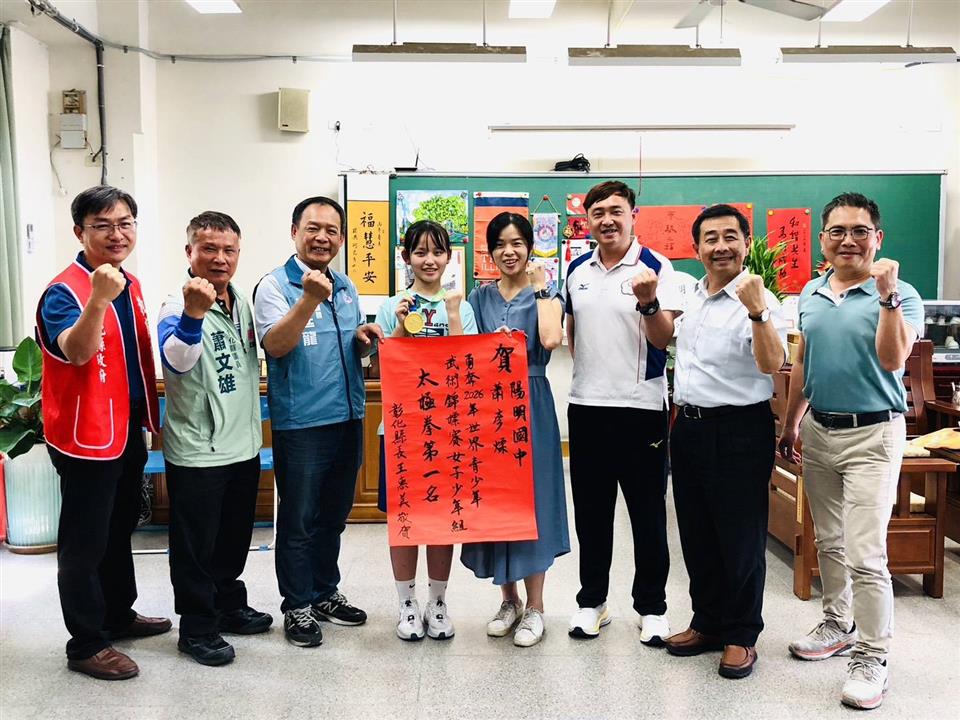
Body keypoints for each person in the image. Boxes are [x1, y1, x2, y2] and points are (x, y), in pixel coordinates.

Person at [779, 193, 923, 710]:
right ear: (823, 238)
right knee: (831, 541)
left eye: (860, 230)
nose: (848, 240)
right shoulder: (811, 292)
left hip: (873, 435)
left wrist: (886, 298)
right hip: (820, 430)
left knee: (866, 552)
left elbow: (893, 360)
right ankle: (838, 624)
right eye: (837, 231)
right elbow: (804, 361)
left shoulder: (903, 294)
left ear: (877, 238)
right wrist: (791, 423)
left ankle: (873, 656)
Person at [36, 185, 170, 680]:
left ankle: (117, 614)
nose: (117, 234)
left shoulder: (129, 283)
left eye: (125, 223)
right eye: (103, 225)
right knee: (84, 541)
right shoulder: (64, 291)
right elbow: (76, 351)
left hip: (125, 428)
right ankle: (87, 643)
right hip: (85, 436)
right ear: (80, 232)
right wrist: (97, 298)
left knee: (119, 528)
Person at [663, 204, 787, 679]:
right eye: (710, 238)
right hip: (689, 427)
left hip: (739, 429)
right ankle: (708, 622)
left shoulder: (760, 299)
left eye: (730, 237)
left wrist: (757, 311)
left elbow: (771, 364)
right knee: (697, 533)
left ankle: (741, 634)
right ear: (696, 248)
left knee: (740, 537)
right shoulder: (692, 297)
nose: (720, 247)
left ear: (746, 244)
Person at [253, 196, 382, 647]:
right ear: (295, 232)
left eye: (332, 230)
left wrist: (363, 341)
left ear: (342, 238)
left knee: (333, 517)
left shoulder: (345, 286)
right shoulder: (274, 286)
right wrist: (309, 299)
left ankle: (325, 592)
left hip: (348, 417)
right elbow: (276, 346)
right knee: (299, 521)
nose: (322, 237)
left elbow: (348, 347)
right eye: (313, 228)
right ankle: (297, 605)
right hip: (302, 424)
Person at [561, 180, 681, 643]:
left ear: (634, 215)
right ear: (587, 220)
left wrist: (648, 301)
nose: (607, 220)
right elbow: (574, 335)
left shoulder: (658, 266)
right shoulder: (576, 270)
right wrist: (594, 378)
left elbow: (663, 339)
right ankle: (592, 602)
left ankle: (652, 607)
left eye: (616, 211)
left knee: (648, 515)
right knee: (591, 516)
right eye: (598, 213)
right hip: (587, 408)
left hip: (641, 410)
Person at [158, 211, 272, 666]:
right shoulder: (175, 304)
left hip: (241, 444)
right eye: (209, 249)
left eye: (229, 250)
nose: (220, 258)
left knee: (232, 536)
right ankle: (197, 627)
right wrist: (193, 314)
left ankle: (227, 604)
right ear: (189, 252)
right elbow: (177, 361)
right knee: (196, 546)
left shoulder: (240, 299)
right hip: (198, 450)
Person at [461, 212, 570, 648]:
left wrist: (541, 289)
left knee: (533, 499)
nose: (509, 252)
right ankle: (509, 600)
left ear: (530, 248)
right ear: (490, 252)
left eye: (517, 243)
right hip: (489, 407)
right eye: (500, 244)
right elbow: (464, 349)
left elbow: (550, 340)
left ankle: (537, 606)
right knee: (496, 500)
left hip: (532, 402)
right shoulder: (479, 297)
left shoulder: (548, 294)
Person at [369, 219, 478, 641]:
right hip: (401, 429)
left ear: (448, 257)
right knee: (404, 520)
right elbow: (384, 369)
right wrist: (399, 325)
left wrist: (451, 314)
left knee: (442, 518)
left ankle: (437, 602)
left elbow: (465, 367)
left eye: (436, 251)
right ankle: (406, 604)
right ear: (406, 257)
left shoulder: (461, 307)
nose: (428, 260)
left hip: (447, 431)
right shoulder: (391, 306)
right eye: (419, 252)